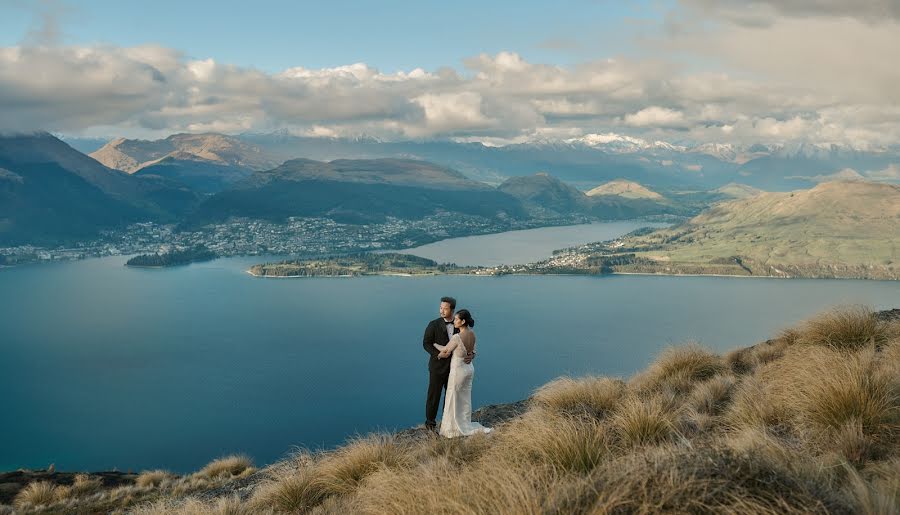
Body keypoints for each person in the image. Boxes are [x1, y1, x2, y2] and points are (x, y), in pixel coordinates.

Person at [433, 309, 491, 438]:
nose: (454, 321)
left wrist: (434, 345)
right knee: (465, 398)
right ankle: (464, 422)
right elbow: (473, 351)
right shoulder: (472, 334)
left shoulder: (457, 337)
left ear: (463, 321)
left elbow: (446, 350)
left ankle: (452, 429)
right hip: (469, 369)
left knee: (453, 397)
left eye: (457, 319)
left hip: (458, 370)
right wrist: (472, 355)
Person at [422, 296, 474, 432]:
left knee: (451, 396)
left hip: (455, 368)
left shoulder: (460, 326)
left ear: (452, 309)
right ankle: (430, 425)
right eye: (440, 308)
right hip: (437, 367)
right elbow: (426, 343)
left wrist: (472, 354)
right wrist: (437, 353)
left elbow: (467, 344)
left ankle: (447, 423)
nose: (442, 311)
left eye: (445, 308)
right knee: (433, 396)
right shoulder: (433, 324)